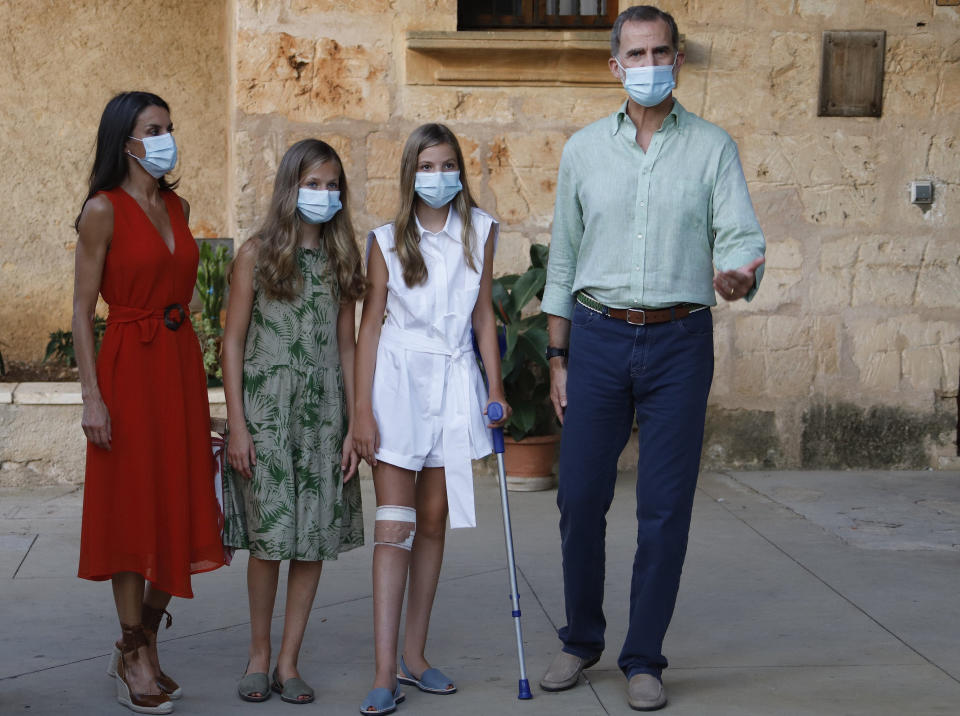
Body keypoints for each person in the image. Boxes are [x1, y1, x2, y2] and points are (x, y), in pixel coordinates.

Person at [539, 5, 766, 711]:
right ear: (615, 66)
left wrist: (738, 276)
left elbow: (740, 240)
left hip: (679, 339)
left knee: (665, 509)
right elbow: (564, 258)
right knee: (579, 496)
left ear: (678, 59)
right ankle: (581, 639)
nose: (648, 66)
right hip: (599, 337)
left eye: (659, 52)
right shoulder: (582, 151)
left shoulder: (712, 147)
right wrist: (557, 356)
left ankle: (644, 657)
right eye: (634, 55)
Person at [75, 91, 227, 714]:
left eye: (169, 126)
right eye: (152, 129)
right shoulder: (101, 211)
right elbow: (83, 312)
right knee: (134, 508)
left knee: (184, 503)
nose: (166, 137)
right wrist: (92, 397)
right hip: (128, 367)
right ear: (126, 140)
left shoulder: (178, 205)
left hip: (178, 365)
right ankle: (136, 651)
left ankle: (139, 639)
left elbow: (184, 295)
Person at [353, 123, 510, 715]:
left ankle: (414, 658)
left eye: (448, 166)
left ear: (459, 173)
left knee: (435, 522)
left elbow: (484, 316)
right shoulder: (385, 240)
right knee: (395, 527)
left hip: (453, 384)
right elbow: (369, 328)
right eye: (427, 167)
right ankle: (382, 671)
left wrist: (495, 386)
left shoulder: (482, 230)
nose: (438, 177)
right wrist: (362, 410)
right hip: (397, 386)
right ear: (409, 175)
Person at [220, 139, 366, 704]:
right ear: (290, 188)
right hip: (267, 415)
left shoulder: (341, 260)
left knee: (311, 542)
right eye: (313, 184)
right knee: (269, 539)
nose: (324, 195)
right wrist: (237, 422)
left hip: (323, 416)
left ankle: (289, 661)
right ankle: (258, 655)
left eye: (333, 186)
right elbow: (232, 342)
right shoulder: (256, 254)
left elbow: (348, 346)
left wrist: (356, 422)